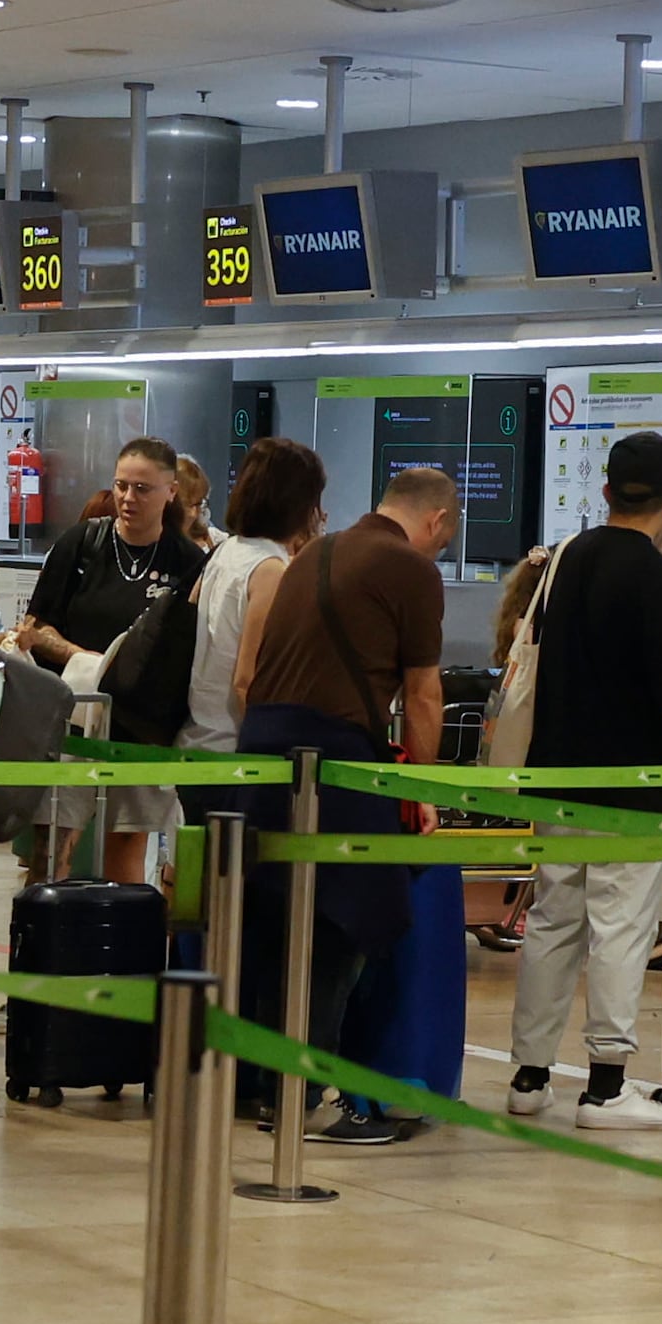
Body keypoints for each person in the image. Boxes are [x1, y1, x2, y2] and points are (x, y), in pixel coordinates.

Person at [233, 460, 457, 1144]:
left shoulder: (308, 556)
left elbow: (247, 679)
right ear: (436, 521)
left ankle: (260, 1082)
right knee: (348, 923)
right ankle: (303, 1088)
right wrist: (421, 789)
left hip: (263, 751)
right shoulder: (412, 570)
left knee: (274, 922)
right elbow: (421, 695)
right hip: (335, 762)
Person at [507, 429, 662, 1132]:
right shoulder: (661, 582)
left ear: (605, 491)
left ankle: (530, 1077)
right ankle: (605, 1086)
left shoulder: (568, 557)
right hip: (630, 784)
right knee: (622, 928)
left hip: (557, 767)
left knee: (552, 920)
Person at [19, 436, 208, 886]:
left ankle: (121, 950)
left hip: (142, 730)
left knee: (126, 854)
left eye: (143, 488)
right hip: (73, 724)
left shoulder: (188, 562)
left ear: (171, 492)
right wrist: (95, 663)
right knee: (53, 852)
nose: (128, 498)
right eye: (121, 485)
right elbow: (34, 628)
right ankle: (42, 947)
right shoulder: (82, 544)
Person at [190, 438, 320, 757]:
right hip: (232, 750)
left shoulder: (224, 552)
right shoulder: (270, 570)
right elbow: (247, 681)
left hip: (196, 736)